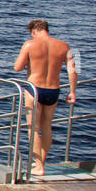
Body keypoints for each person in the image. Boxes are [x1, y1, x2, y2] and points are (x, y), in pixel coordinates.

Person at [14, 19, 77, 177]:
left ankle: (39, 166)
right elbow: (73, 70)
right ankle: (40, 161)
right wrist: (72, 92)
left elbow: (17, 68)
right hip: (53, 90)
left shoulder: (29, 44)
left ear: (34, 31)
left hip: (34, 89)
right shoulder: (65, 46)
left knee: (33, 129)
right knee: (47, 127)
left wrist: (31, 61)